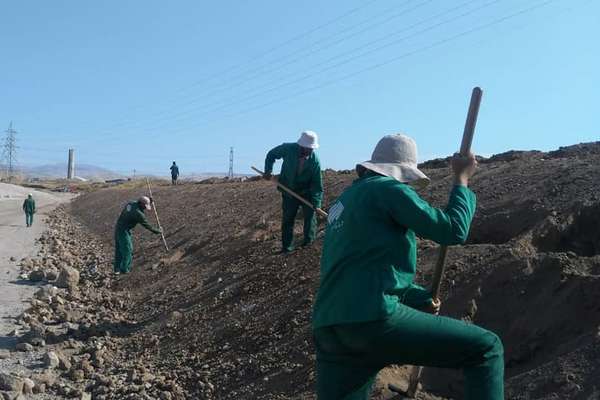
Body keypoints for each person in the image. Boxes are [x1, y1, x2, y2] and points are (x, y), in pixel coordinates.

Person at [312, 134, 504, 400]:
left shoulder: (344, 202)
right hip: (372, 319)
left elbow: (364, 269)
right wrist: (461, 179)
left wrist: (418, 297)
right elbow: (452, 229)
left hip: (330, 326)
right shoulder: (387, 189)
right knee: (486, 348)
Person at [264, 131, 323, 253]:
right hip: (289, 190)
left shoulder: (315, 161)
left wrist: (316, 203)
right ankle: (287, 248)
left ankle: (308, 245)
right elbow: (271, 155)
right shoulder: (288, 149)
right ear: (302, 146)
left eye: (312, 148)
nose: (311, 151)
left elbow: (317, 185)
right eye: (309, 148)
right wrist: (268, 170)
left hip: (307, 192)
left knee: (310, 217)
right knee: (288, 219)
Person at [114, 196, 162, 274]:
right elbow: (147, 225)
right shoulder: (138, 213)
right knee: (128, 249)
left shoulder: (131, 203)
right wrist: (158, 231)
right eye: (145, 206)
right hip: (123, 231)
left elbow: (142, 200)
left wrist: (150, 199)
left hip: (119, 227)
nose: (146, 208)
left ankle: (117, 269)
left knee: (119, 249)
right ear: (142, 204)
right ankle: (124, 269)